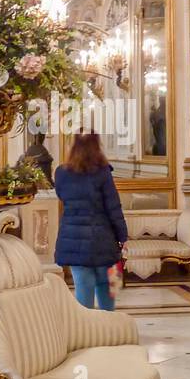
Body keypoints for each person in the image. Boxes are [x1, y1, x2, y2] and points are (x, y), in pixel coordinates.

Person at [54, 133, 127, 311]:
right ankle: (108, 329)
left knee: (83, 289)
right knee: (107, 289)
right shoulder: (103, 173)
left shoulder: (61, 173)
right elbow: (113, 208)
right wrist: (122, 236)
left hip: (73, 239)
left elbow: (62, 196)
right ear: (97, 146)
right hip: (103, 240)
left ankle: (86, 332)